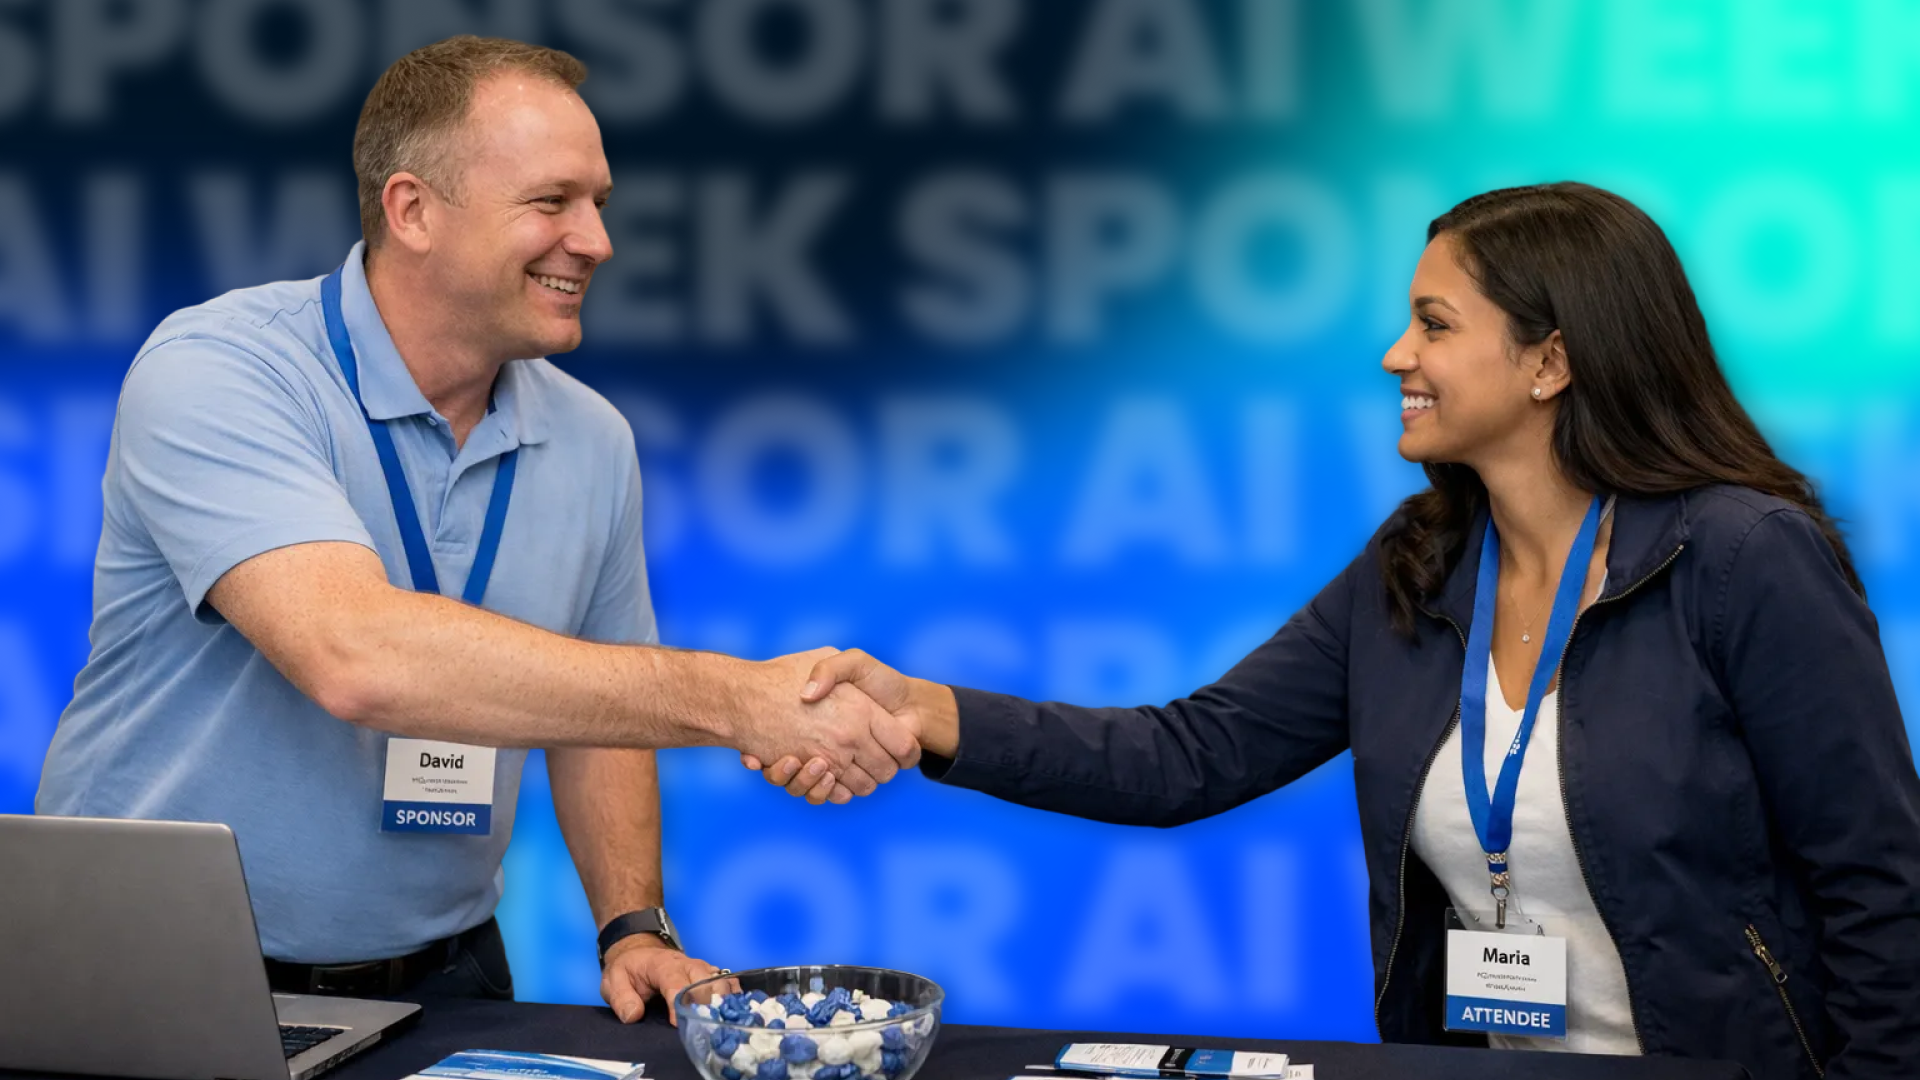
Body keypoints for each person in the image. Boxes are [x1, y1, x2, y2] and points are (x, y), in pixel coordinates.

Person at [752, 183, 1920, 1078]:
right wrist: (924, 710)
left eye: (1434, 324)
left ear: (1550, 362)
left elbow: (1878, 883)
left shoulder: (1741, 556)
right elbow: (1189, 754)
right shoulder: (1413, 569)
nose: (1395, 357)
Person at [35, 36, 915, 1020]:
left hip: (448, 978)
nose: (597, 241)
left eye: (599, 204)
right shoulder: (222, 372)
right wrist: (736, 699)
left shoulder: (592, 439)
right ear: (412, 210)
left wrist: (633, 923)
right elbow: (353, 654)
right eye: (552, 203)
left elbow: (602, 713)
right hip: (151, 974)